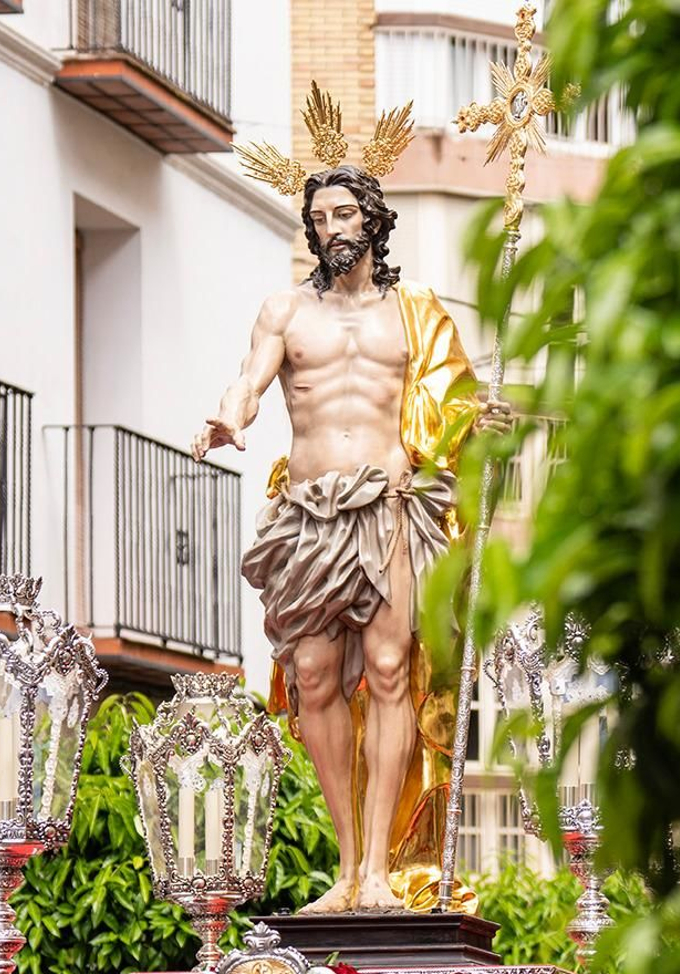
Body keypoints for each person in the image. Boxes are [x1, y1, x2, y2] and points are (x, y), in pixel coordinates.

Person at [193, 161, 510, 912]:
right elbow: (250, 379)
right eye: (321, 217)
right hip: (309, 514)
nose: (331, 228)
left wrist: (477, 419)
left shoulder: (413, 312)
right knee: (312, 674)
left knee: (392, 666)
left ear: (372, 218)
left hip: (388, 505)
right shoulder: (285, 311)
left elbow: (450, 403)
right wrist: (230, 414)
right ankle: (345, 866)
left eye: (344, 214)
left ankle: (376, 870)